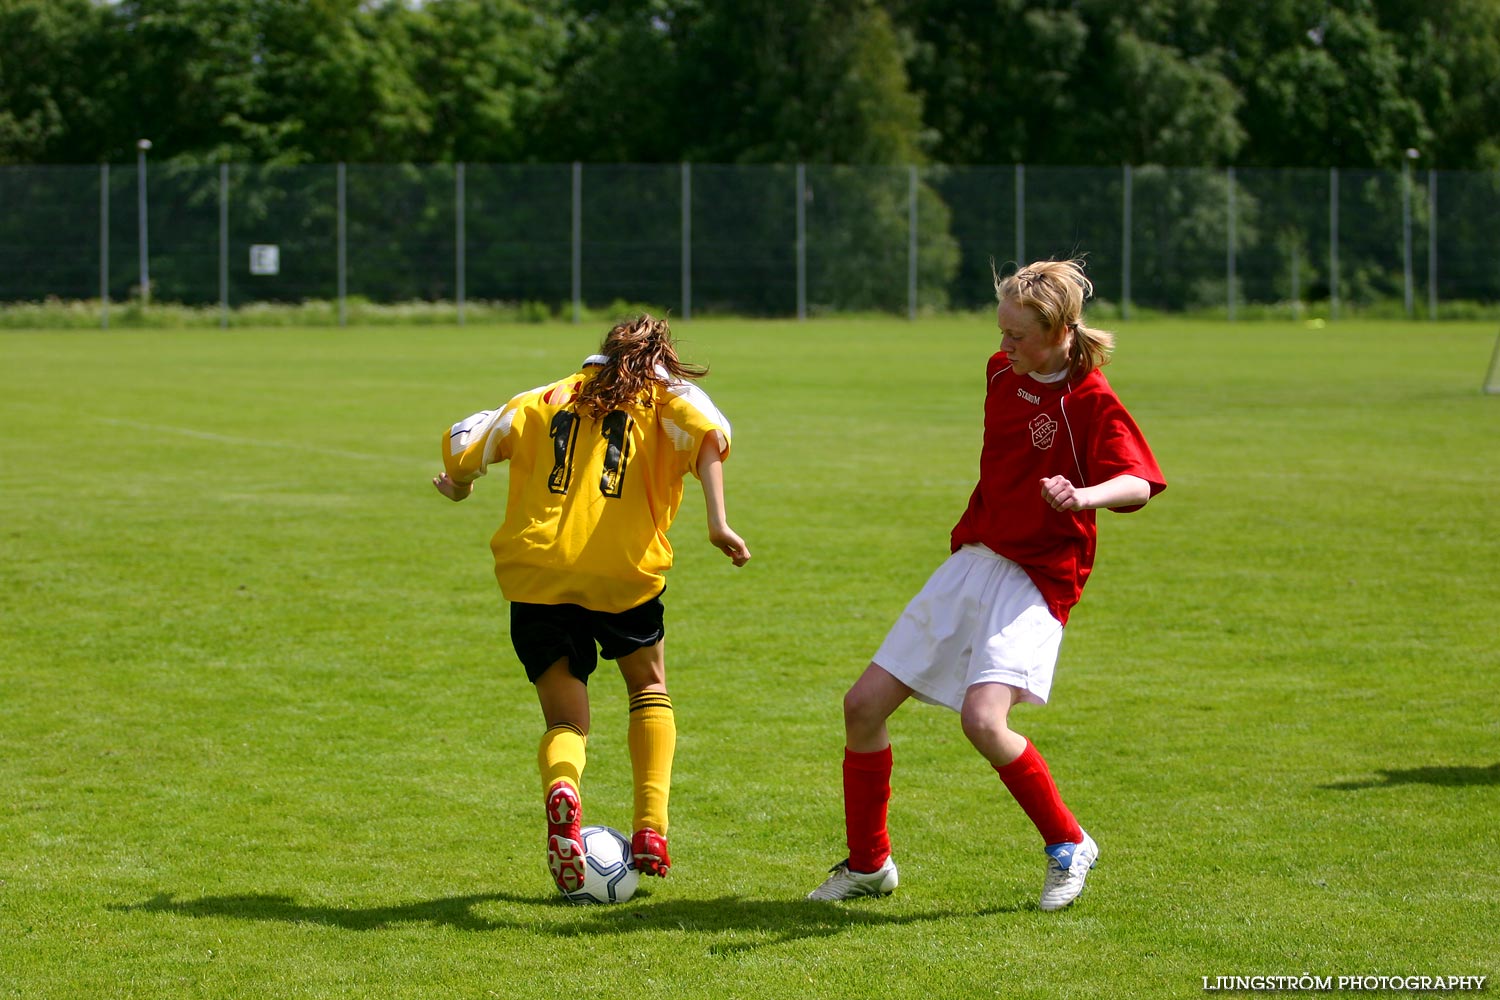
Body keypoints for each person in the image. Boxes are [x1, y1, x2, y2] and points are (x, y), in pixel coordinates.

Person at [807, 258, 1165, 910]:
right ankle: (868, 865)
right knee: (861, 707)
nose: (1003, 347)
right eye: (1000, 332)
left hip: (1037, 577)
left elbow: (1139, 482)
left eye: (1018, 336)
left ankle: (1068, 842)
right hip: (975, 558)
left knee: (982, 719)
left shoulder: (1091, 401)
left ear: (1060, 331)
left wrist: (1083, 495)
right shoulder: (1004, 372)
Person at [434, 313, 751, 893]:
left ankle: (564, 784)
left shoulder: (541, 398)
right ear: (663, 356)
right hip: (621, 573)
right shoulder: (666, 398)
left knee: (565, 719)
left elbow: (466, 442)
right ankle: (651, 827)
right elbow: (710, 436)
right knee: (649, 688)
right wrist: (718, 523)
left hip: (536, 573)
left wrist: (460, 484)